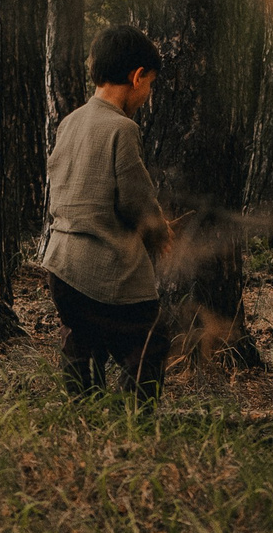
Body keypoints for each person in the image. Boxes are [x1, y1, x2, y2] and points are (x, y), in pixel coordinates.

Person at [38, 25, 173, 399]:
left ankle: (84, 419)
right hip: (105, 270)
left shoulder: (70, 122)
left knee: (82, 346)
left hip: (62, 266)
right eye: (149, 85)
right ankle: (137, 423)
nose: (146, 95)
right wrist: (160, 232)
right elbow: (136, 200)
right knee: (148, 343)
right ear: (136, 76)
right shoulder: (122, 129)